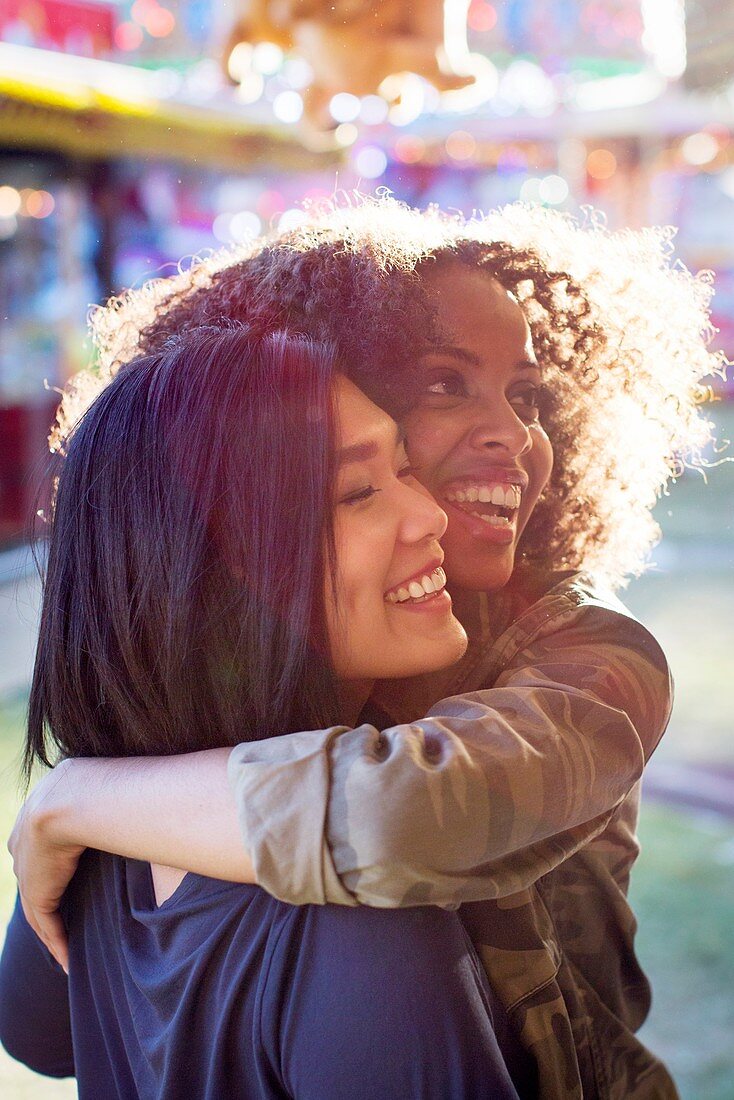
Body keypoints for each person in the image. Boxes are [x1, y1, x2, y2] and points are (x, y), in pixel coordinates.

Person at [9, 197, 721, 1099]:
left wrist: (77, 798)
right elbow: (44, 1023)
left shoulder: (594, 658)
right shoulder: (259, 686)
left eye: (529, 395)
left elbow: (405, 815)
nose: (513, 431)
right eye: (444, 383)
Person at [0, 324, 530, 1098]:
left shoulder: (103, 820)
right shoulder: (357, 914)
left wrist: (69, 797)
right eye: (357, 493)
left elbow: (35, 1032)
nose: (430, 516)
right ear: (208, 575)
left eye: (405, 469)